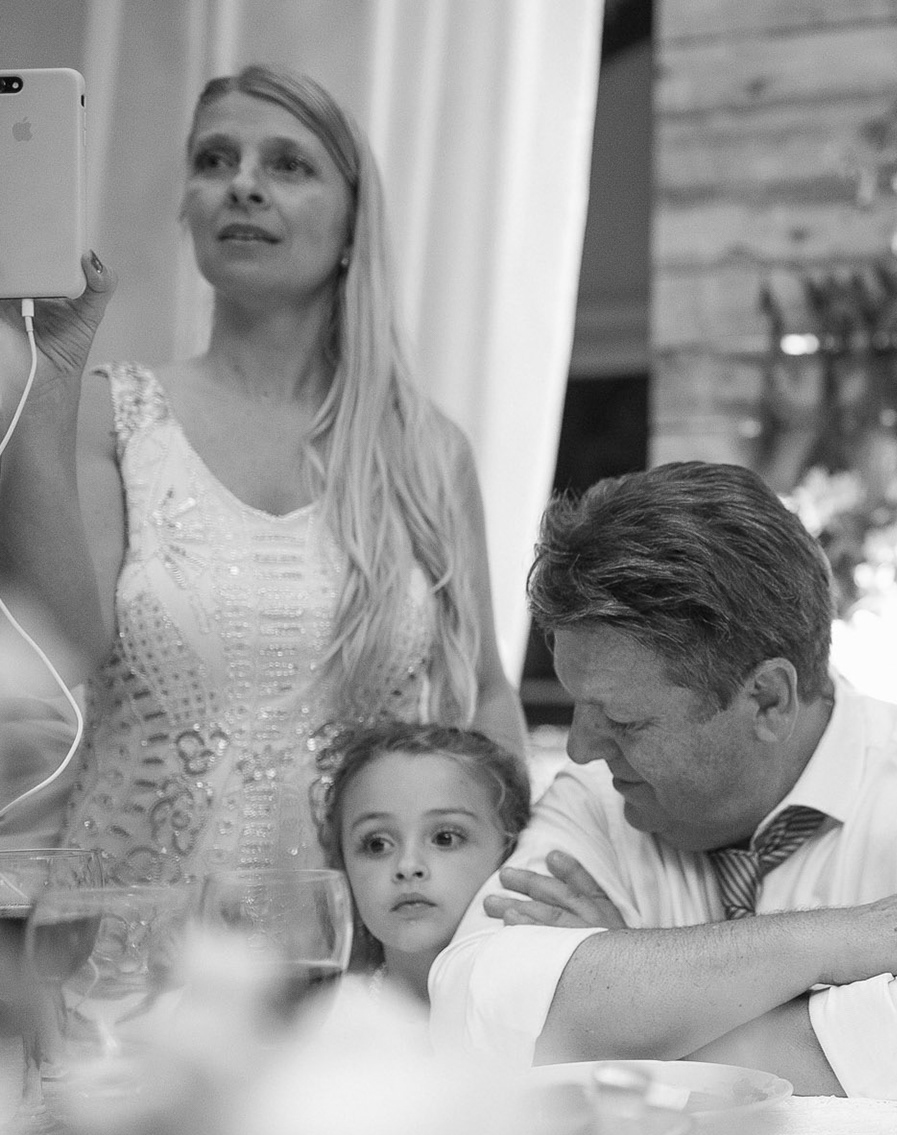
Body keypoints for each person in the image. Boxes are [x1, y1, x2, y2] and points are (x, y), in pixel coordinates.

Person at [0, 65, 525, 880]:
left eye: (288, 164)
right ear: (187, 207)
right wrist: (48, 373)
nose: (242, 185)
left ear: (353, 221)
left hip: (360, 932)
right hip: (134, 930)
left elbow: (486, 693)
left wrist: (503, 885)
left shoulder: (424, 449)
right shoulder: (110, 416)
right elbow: (65, 646)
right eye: (215, 160)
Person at [431, 461, 897, 1101]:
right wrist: (846, 937)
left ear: (767, 700)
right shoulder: (596, 798)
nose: (581, 749)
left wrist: (632, 1005)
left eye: (624, 721)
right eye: (578, 707)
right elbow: (469, 1009)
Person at [320, 721, 531, 1003]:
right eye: (377, 844)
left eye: (445, 838)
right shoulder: (322, 1021)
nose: (408, 866)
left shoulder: (549, 1013)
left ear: (510, 849)